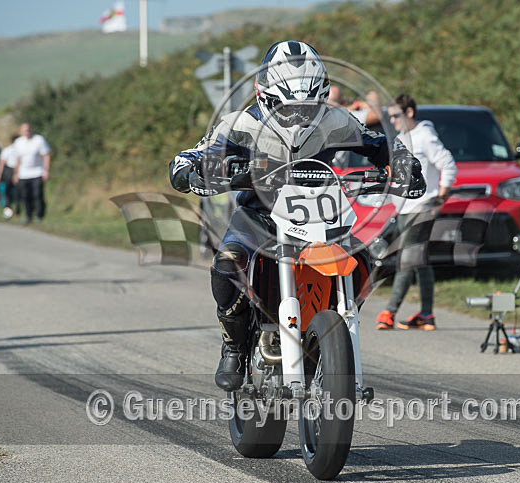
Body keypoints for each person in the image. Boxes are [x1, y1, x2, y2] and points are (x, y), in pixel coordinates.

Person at [168, 40, 424, 391]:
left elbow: (380, 143)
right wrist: (189, 172)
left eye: (307, 108)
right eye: (289, 108)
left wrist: (406, 164)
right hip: (259, 217)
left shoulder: (337, 120)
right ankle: (234, 345)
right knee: (228, 262)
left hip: (323, 216)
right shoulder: (239, 123)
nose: (298, 117)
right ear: (265, 96)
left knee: (369, 259)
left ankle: (332, 335)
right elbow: (192, 155)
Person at [376, 94, 457, 331]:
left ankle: (388, 312)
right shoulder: (402, 138)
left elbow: (448, 163)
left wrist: (440, 196)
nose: (392, 120)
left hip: (422, 208)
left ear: (409, 112)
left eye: (395, 115)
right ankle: (427, 315)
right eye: (389, 116)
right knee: (420, 261)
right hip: (404, 210)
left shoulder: (425, 136)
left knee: (407, 259)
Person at [12, 123, 50, 225]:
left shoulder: (39, 140)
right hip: (23, 174)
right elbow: (18, 159)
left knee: (37, 195)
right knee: (25, 196)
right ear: (21, 131)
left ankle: (39, 215)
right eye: (24, 130)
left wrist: (46, 170)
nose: (27, 131)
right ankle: (28, 215)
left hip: (37, 172)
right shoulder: (18, 142)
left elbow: (46, 155)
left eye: (28, 129)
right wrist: (16, 173)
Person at [0, 133, 19, 219]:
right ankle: (10, 208)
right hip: (10, 171)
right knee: (10, 191)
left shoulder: (9, 150)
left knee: (10, 191)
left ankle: (11, 208)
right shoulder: (8, 150)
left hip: (13, 170)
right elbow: (2, 164)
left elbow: (1, 164)